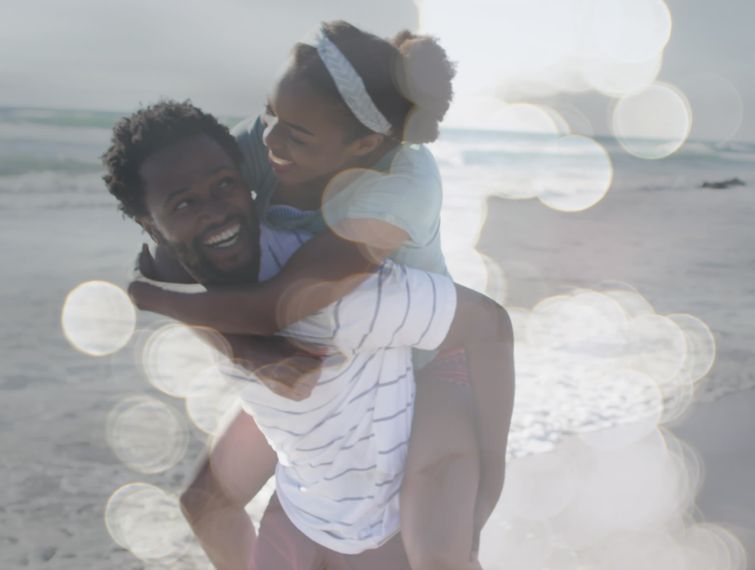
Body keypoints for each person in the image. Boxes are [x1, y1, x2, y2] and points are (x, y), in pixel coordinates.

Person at [121, 22, 512, 570]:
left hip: (426, 363)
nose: (271, 139)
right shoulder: (279, 134)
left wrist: (156, 300)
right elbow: (178, 222)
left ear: (366, 145)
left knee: (440, 549)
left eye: (295, 134)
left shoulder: (401, 185)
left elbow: (275, 303)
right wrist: (248, 350)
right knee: (206, 502)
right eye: (269, 114)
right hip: (327, 360)